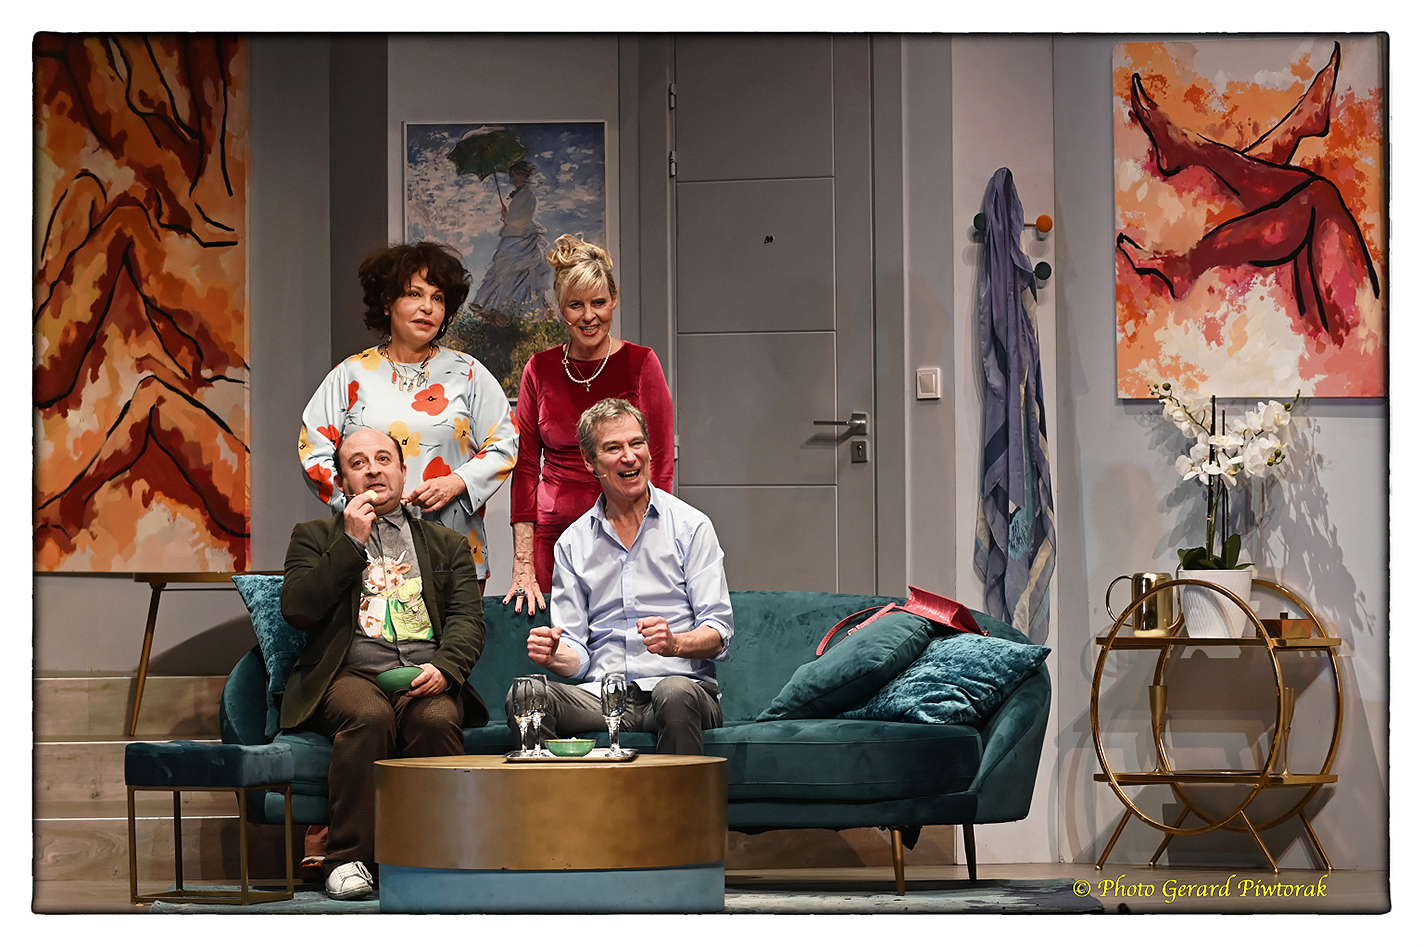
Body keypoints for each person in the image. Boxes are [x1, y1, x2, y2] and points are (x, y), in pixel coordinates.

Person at [281, 427, 489, 900]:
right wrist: (351, 543)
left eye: (383, 459)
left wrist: (446, 669)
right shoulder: (314, 537)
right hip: (349, 676)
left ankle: (440, 858)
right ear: (342, 481)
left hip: (426, 674)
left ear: (402, 471)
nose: (373, 470)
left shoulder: (446, 543)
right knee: (368, 715)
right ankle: (346, 858)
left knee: (436, 720)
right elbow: (298, 608)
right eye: (358, 463)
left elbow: (467, 619)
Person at [1116, 43, 1379, 347]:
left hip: (1361, 340)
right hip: (1358, 330)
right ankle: (1285, 131)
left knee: (1318, 198)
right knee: (1314, 197)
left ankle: (1215, 154)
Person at [508, 399, 731, 755]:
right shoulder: (573, 543)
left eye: (636, 443)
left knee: (673, 693)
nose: (629, 457)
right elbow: (577, 653)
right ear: (589, 460)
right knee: (528, 695)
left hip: (682, 689)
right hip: (605, 697)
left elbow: (718, 632)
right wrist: (554, 655)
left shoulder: (691, 527)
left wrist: (675, 643)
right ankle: (556, 794)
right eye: (613, 448)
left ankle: (680, 795)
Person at [299, 241, 518, 589]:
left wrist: (457, 482)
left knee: (458, 627)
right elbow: (313, 451)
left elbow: (505, 444)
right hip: (367, 552)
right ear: (387, 302)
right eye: (414, 294)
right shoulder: (350, 374)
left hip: (452, 551)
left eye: (438, 298)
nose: (427, 307)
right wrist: (354, 503)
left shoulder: (468, 373)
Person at [504, 235, 675, 614]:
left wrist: (653, 539)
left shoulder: (641, 363)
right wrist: (523, 561)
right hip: (553, 534)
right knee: (555, 639)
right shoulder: (540, 368)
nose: (588, 316)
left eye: (598, 303)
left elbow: (660, 463)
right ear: (560, 307)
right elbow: (526, 467)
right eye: (575, 305)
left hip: (627, 532)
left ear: (614, 300)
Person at [470, 160, 558, 323]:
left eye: (516, 175)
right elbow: (515, 219)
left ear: (524, 175)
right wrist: (508, 216)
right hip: (514, 236)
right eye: (512, 176)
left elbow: (520, 219)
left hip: (521, 238)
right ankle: (492, 306)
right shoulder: (520, 194)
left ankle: (507, 311)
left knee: (517, 275)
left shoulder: (527, 195)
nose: (513, 179)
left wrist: (508, 217)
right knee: (502, 272)